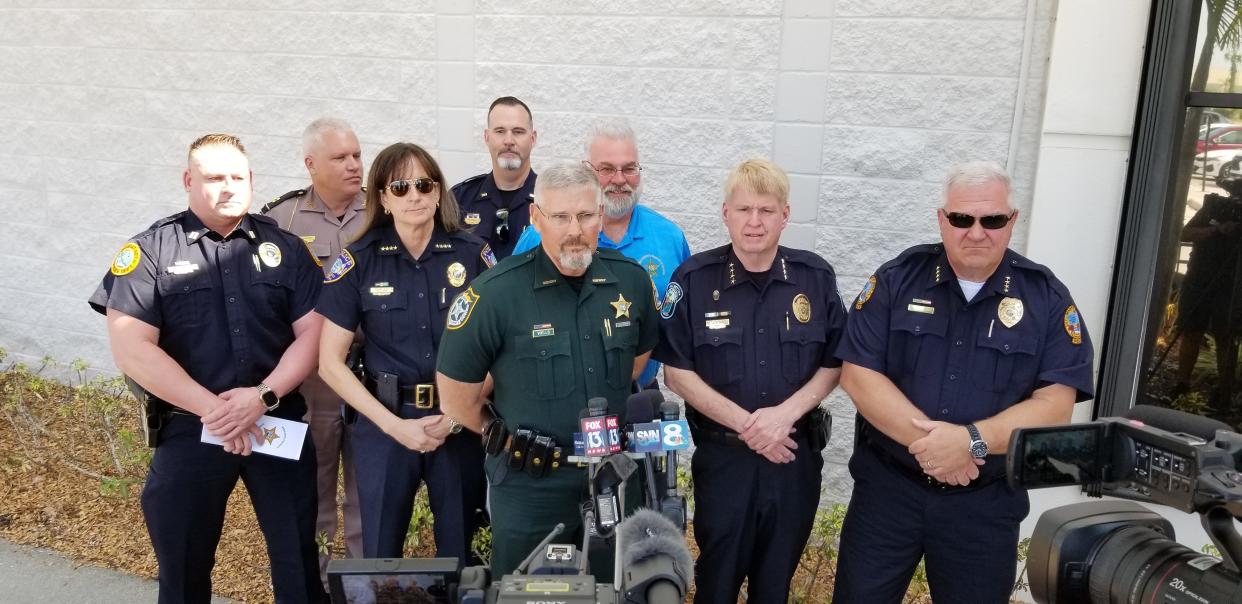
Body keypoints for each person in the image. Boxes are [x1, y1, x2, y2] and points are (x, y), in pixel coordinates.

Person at [832, 161, 1095, 603]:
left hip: (984, 507)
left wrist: (970, 441)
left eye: (991, 219)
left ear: (1012, 222)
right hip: (888, 497)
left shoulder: (1045, 298)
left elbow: (1055, 404)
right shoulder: (898, 278)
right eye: (961, 219)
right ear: (942, 220)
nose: (976, 232)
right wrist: (937, 450)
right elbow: (857, 375)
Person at [88, 133, 326, 603]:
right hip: (189, 428)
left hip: (273, 422)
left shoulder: (288, 249)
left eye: (238, 177)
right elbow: (131, 348)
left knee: (299, 562)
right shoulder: (151, 251)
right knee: (183, 568)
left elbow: (314, 334)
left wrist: (260, 398)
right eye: (214, 177)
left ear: (252, 180)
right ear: (187, 180)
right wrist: (214, 411)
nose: (228, 187)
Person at [435, 161, 659, 580]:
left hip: (612, 477)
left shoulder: (631, 283)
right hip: (530, 486)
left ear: (601, 214)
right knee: (528, 590)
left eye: (585, 215)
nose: (574, 229)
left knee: (613, 586)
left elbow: (636, 365)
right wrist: (498, 434)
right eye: (560, 216)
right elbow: (455, 397)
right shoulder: (495, 294)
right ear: (536, 217)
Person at [653, 158, 844, 603]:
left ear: (785, 215)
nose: (754, 222)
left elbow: (835, 361)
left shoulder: (814, 279)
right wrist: (751, 426)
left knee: (774, 586)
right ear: (726, 214)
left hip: (792, 459)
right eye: (743, 210)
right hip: (725, 464)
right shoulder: (695, 280)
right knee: (717, 582)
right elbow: (677, 373)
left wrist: (785, 416)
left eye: (765, 210)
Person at [316, 142, 493, 561]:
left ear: (437, 191)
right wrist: (395, 427)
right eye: (400, 187)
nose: (413, 195)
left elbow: (499, 350)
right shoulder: (357, 261)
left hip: (458, 424)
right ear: (382, 198)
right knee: (378, 554)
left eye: (423, 184)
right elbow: (329, 363)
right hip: (385, 425)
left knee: (463, 554)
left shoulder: (474, 256)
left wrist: (455, 417)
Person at [262, 117, 365, 582]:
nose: (353, 166)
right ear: (310, 165)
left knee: (366, 492)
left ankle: (364, 584)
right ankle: (321, 584)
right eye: (340, 158)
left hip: (368, 376)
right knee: (317, 487)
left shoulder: (382, 210)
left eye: (357, 155)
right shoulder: (281, 219)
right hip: (313, 381)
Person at [513, 120, 691, 390]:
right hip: (557, 399)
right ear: (587, 170)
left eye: (629, 169)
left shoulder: (669, 239)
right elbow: (510, 312)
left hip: (638, 398)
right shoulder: (539, 238)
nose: (619, 180)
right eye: (607, 169)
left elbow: (679, 328)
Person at [1170, 179, 1242, 406]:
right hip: (1199, 277)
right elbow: (1186, 233)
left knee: (1225, 334)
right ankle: (1182, 383)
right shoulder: (1214, 207)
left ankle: (1224, 391)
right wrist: (1216, 230)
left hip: (1232, 282)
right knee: (1191, 329)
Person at [451, 96, 538, 260]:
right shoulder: (459, 199)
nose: (509, 141)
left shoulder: (552, 201)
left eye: (518, 132)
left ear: (532, 139)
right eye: (500, 131)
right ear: (487, 137)